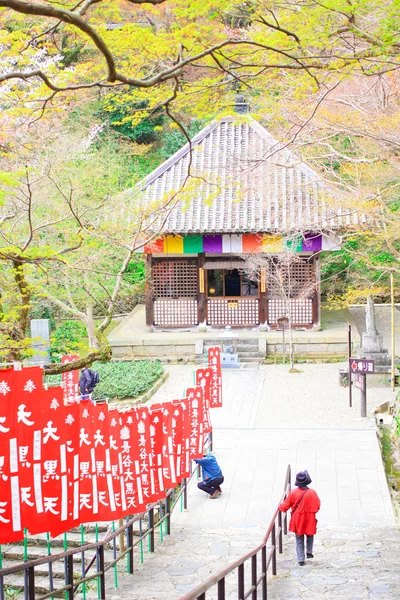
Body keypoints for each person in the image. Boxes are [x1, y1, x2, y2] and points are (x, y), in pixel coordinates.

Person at [278, 470, 321, 566]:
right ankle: (309, 551)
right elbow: (317, 506)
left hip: (298, 519)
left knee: (299, 538)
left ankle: (301, 559)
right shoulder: (312, 493)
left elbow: (285, 506)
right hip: (309, 518)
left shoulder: (293, 493)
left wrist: (279, 507)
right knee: (310, 535)